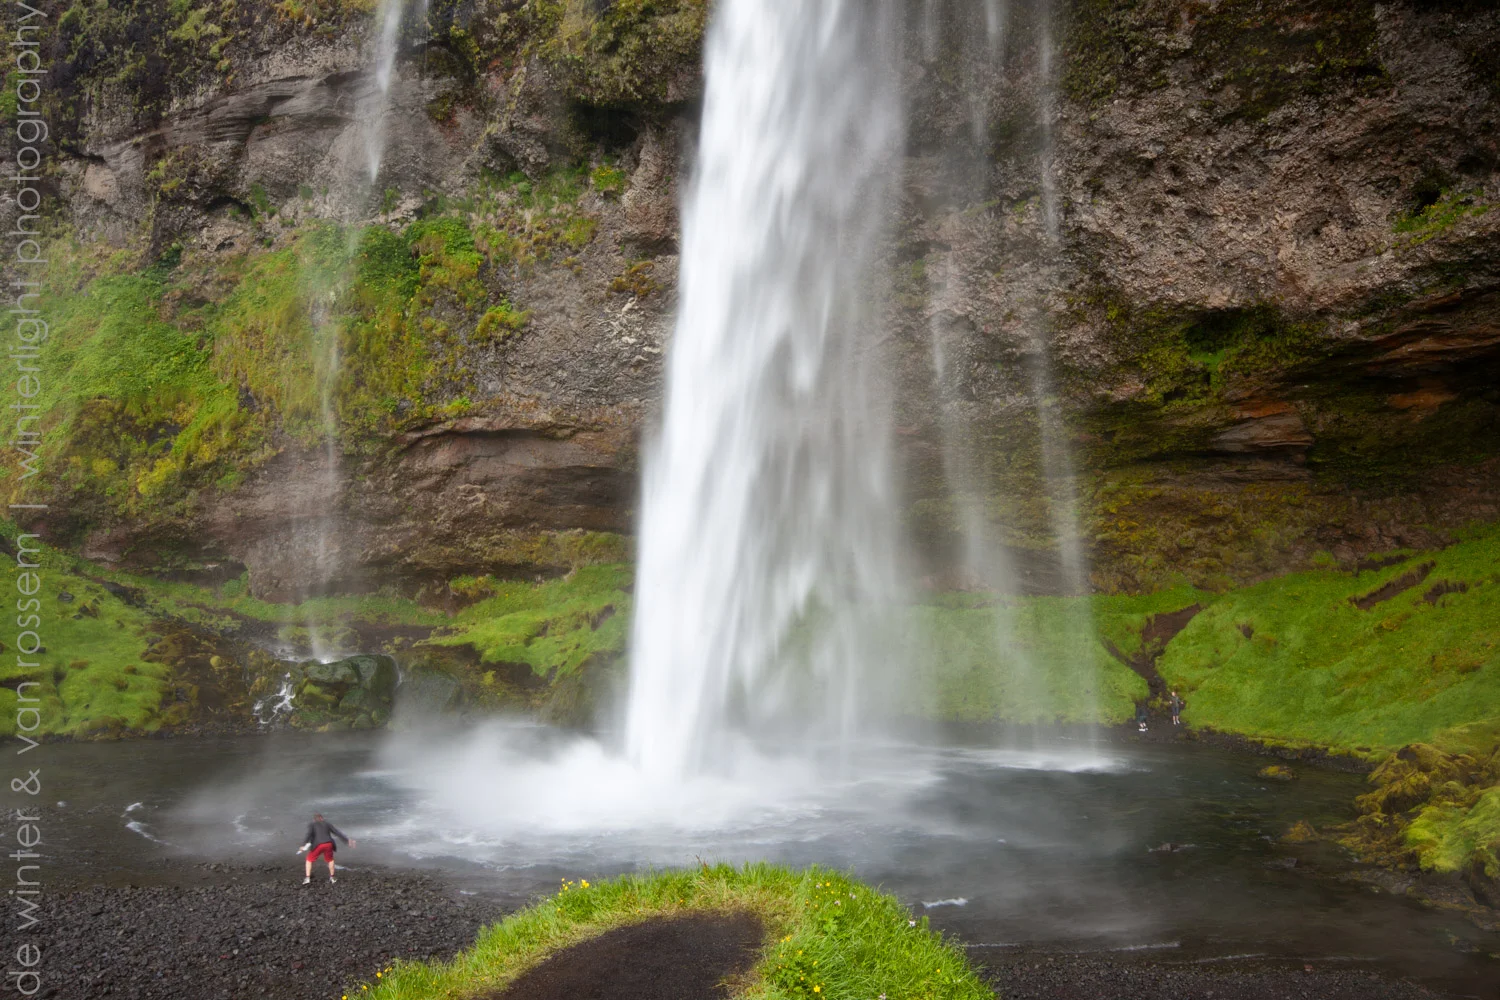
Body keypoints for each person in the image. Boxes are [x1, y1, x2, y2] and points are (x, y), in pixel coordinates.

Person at [298, 812, 355, 885]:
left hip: (318, 845)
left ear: (314, 819)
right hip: (328, 844)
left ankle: (307, 878)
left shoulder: (312, 824)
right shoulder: (327, 823)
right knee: (330, 860)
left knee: (309, 860)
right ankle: (332, 878)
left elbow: (308, 835)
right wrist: (347, 840)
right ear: (322, 818)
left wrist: (303, 845)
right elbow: (337, 832)